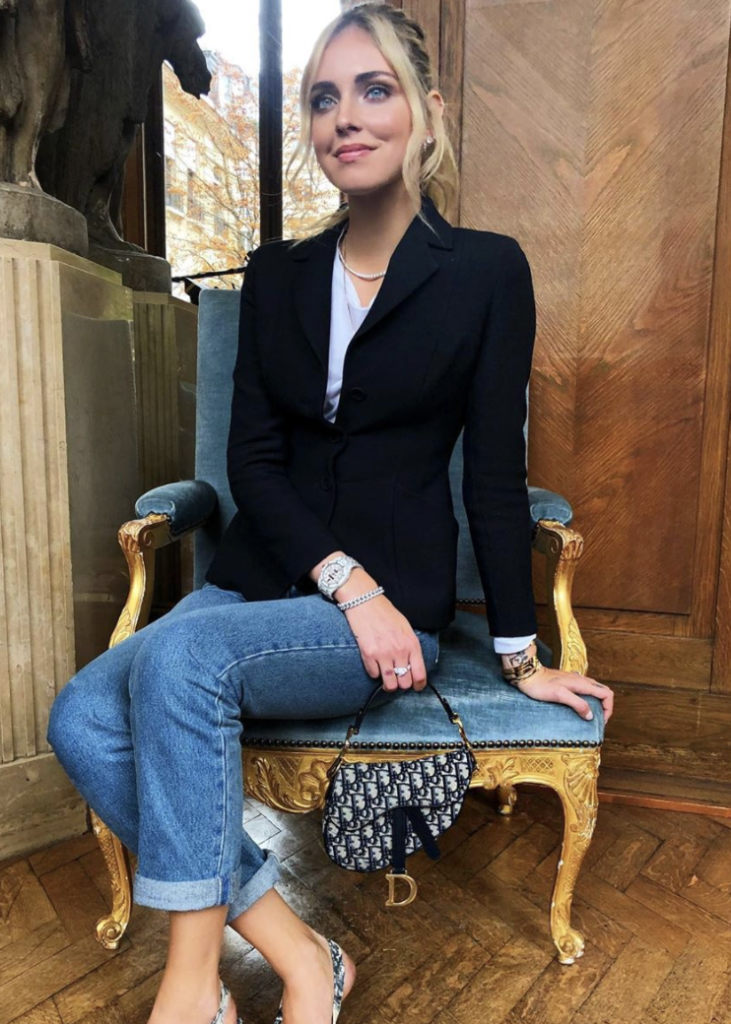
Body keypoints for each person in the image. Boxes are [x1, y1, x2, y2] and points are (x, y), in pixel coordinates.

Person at [47, 4, 615, 1024]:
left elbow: (493, 477)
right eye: (322, 98)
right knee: (82, 715)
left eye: (373, 90)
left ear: (425, 113)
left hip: (396, 609)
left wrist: (521, 657)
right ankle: (301, 949)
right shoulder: (278, 274)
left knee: (179, 663)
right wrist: (341, 581)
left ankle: (192, 991)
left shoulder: (485, 271)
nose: (344, 116)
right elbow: (252, 464)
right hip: (266, 580)